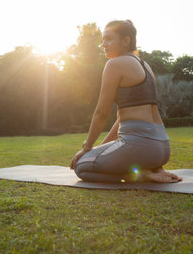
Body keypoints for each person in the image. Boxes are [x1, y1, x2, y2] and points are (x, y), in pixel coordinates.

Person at [70, 20, 183, 183]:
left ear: (125, 41)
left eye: (109, 39)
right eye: (103, 40)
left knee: (81, 166)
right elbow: (121, 120)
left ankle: (140, 175)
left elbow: (101, 113)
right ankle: (152, 168)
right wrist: (100, 148)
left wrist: (87, 148)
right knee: (93, 157)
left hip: (139, 147)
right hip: (162, 149)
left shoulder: (114, 64)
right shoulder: (146, 66)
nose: (103, 44)